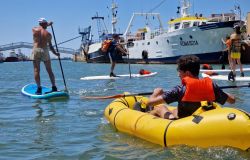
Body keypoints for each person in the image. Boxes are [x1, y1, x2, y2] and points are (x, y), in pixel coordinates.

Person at [134, 55, 235, 120]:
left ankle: (144, 114)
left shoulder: (179, 89)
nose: (178, 74)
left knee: (160, 107)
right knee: (173, 110)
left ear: (187, 73)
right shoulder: (212, 86)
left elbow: (150, 102)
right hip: (202, 120)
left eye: (179, 71)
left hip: (183, 122)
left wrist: (155, 92)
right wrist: (220, 92)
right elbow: (232, 100)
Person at [31, 18, 60, 94]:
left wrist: (47, 24)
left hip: (36, 50)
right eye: (46, 23)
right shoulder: (49, 34)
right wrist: (56, 54)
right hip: (45, 51)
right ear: (44, 23)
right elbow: (51, 47)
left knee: (36, 70)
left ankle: (39, 88)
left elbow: (39, 27)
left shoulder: (34, 29)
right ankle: (54, 87)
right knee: (49, 70)